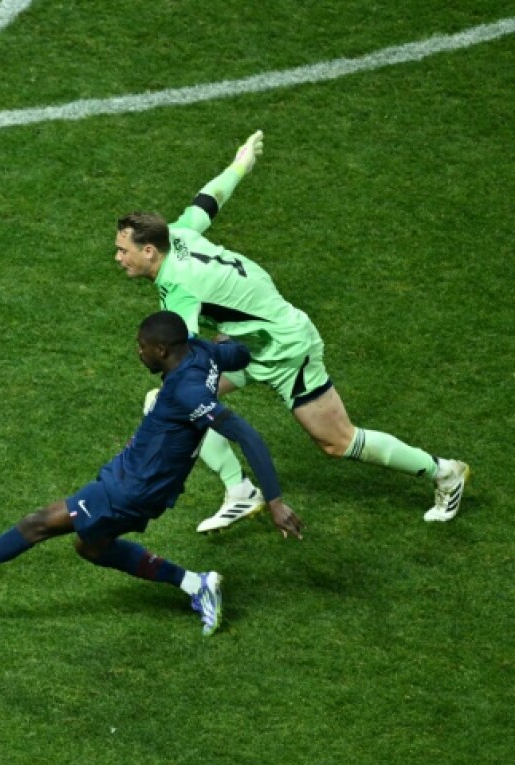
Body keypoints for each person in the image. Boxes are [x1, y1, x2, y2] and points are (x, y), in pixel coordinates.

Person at [115, 131, 470, 532]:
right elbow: (207, 200)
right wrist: (241, 164)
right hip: (252, 341)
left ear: (149, 251)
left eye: (123, 250)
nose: (118, 257)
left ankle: (444, 472)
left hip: (285, 348)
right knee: (167, 399)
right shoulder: (178, 234)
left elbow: (186, 356)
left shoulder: (179, 288)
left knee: (338, 441)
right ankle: (240, 491)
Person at [0, 311, 304, 637]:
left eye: (141, 347)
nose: (137, 353)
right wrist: (256, 339)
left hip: (130, 489)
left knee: (36, 525)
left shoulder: (187, 389)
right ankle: (197, 584)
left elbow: (246, 434)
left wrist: (275, 500)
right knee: (91, 547)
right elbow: (241, 354)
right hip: (143, 480)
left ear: (161, 350)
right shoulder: (201, 352)